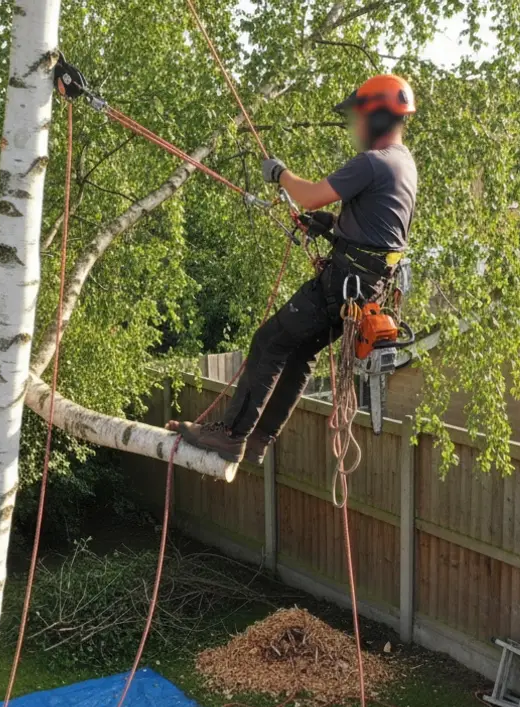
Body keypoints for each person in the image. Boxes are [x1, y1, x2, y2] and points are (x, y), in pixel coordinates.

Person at [169, 74, 419, 464]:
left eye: (358, 118)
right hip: (365, 289)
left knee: (268, 341)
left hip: (342, 286)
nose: (354, 127)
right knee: (300, 353)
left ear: (378, 118)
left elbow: (310, 195)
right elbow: (378, 228)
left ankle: (233, 435)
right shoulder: (404, 164)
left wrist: (280, 173)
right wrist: (332, 225)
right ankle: (259, 439)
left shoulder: (374, 162)